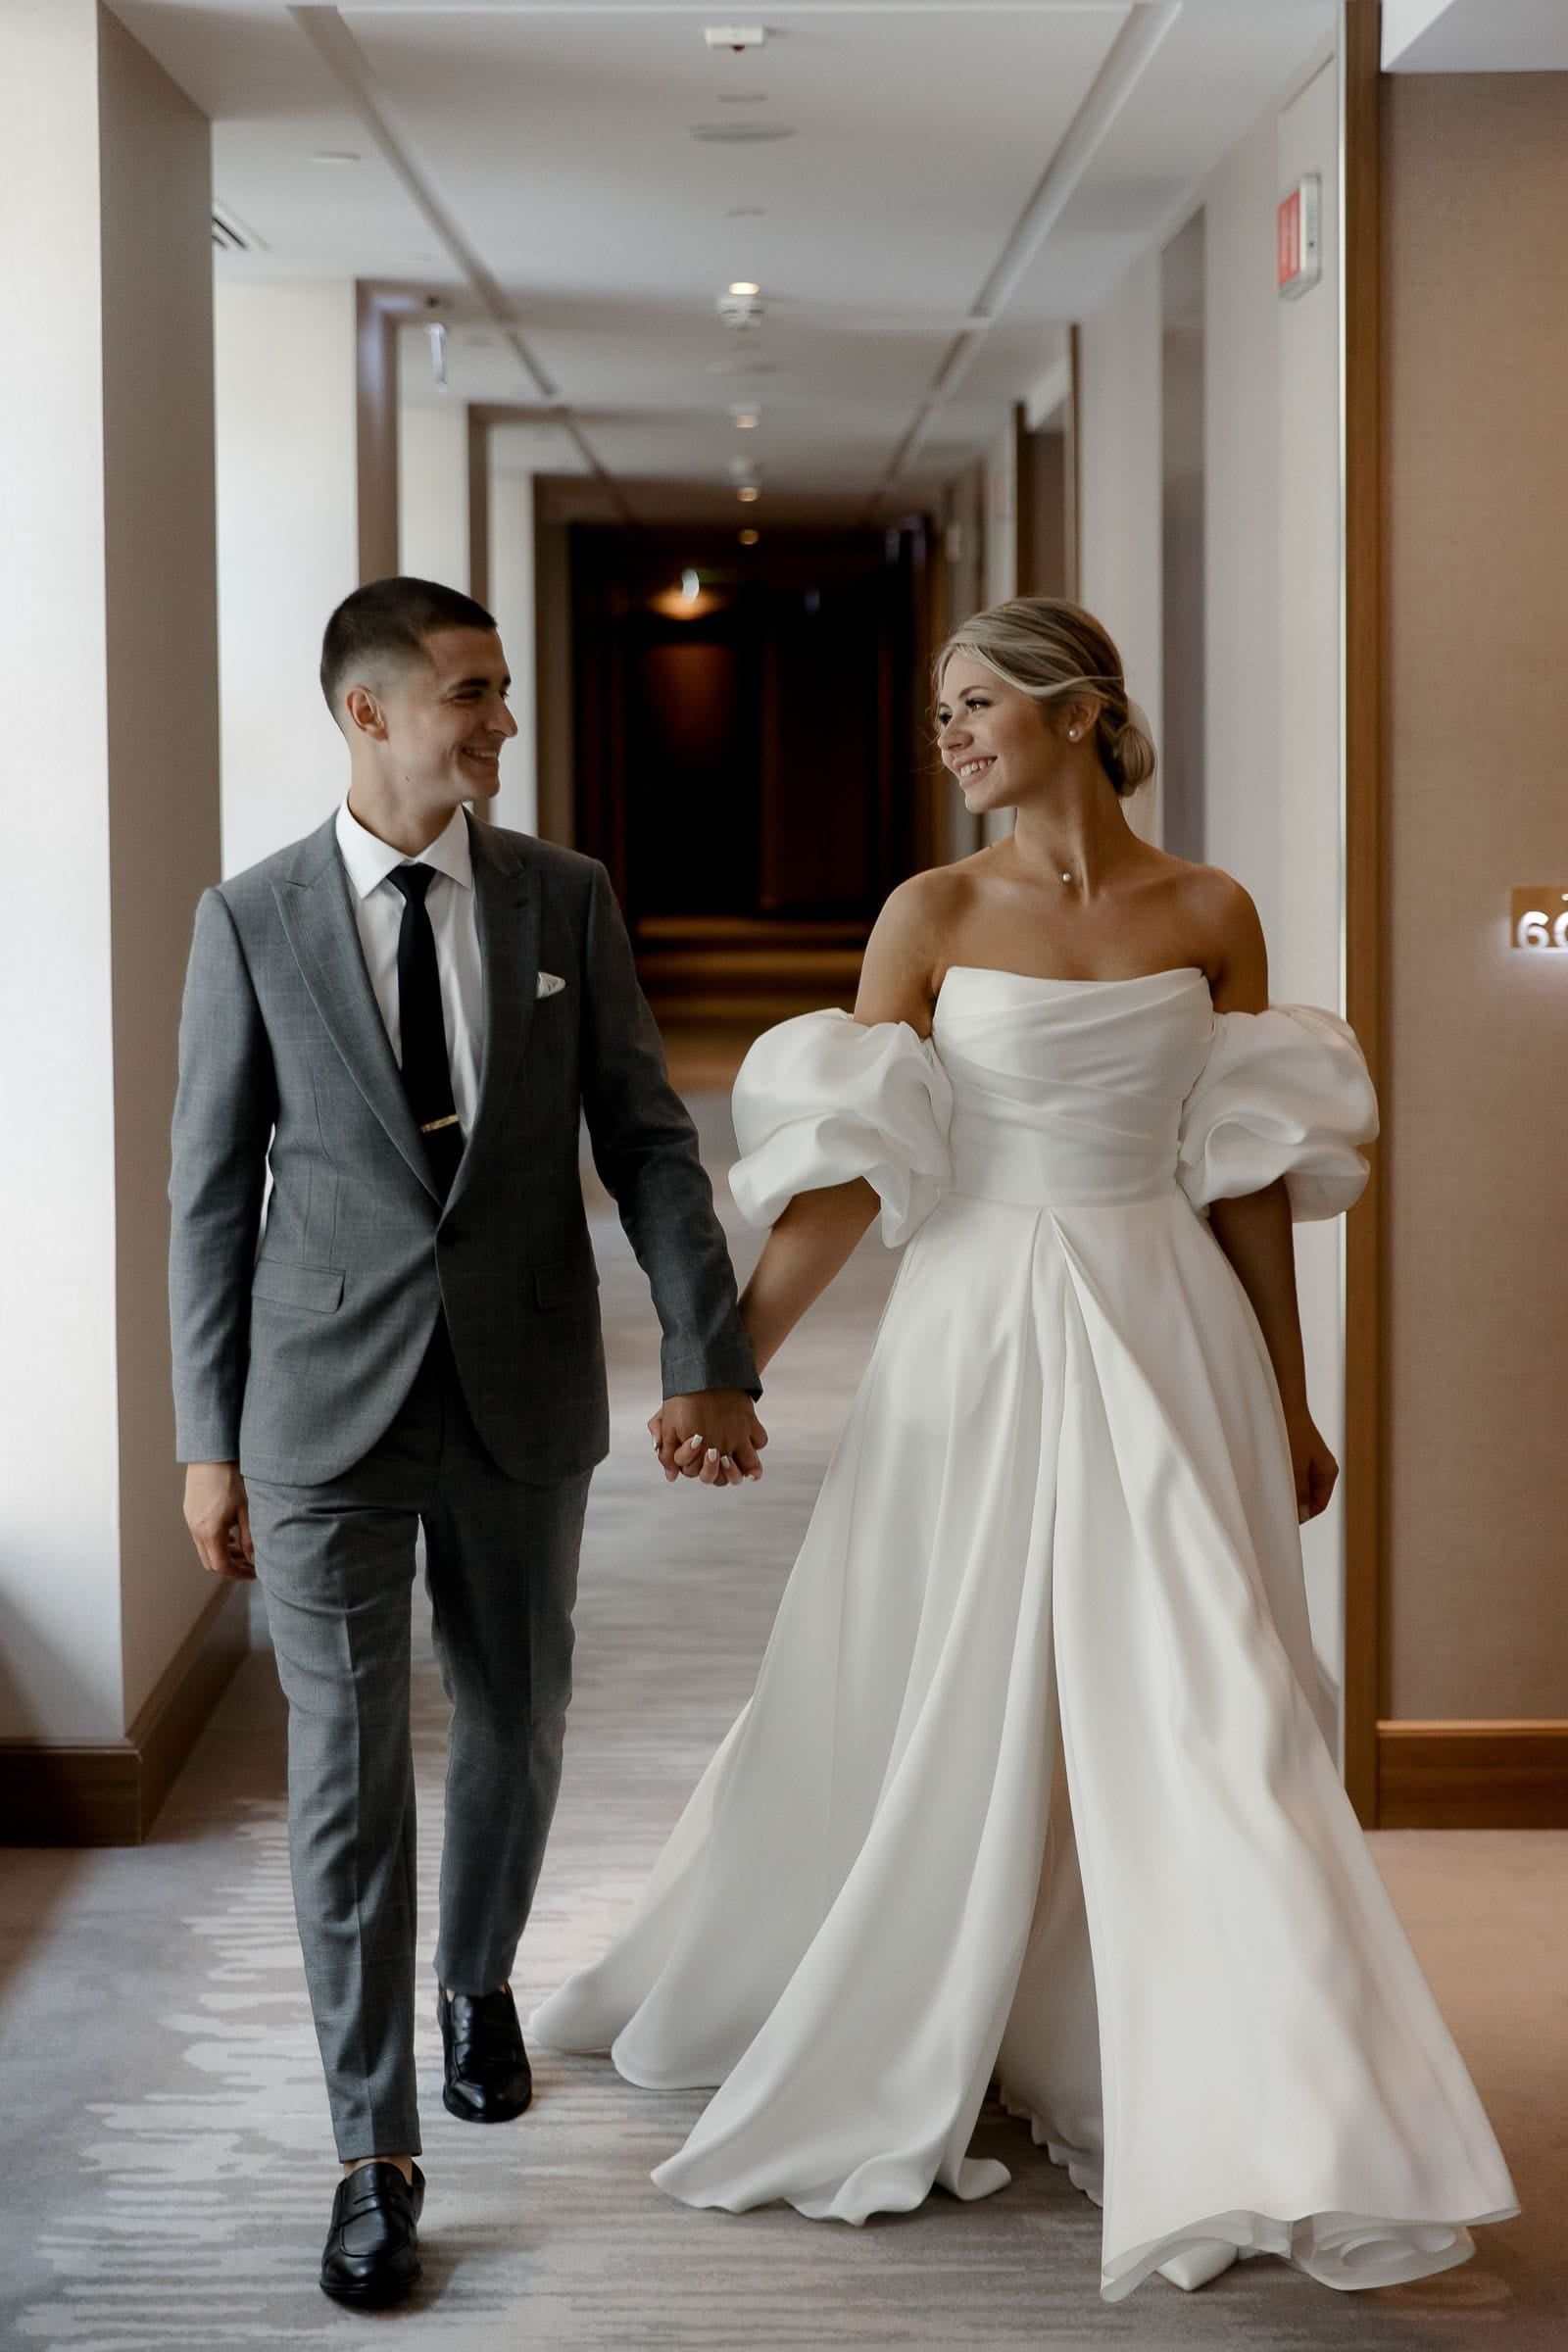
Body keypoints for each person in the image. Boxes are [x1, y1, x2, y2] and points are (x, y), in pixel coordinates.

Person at [532, 596, 1517, 2301]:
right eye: (938, 714)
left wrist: (1287, 1391)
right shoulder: (929, 912)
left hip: (1167, 1330)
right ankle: (953, 1991)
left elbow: (1250, 1180)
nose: (951, 737)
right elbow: (856, 1165)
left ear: (1075, 711)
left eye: (976, 704)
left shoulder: (1214, 913)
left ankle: (1270, 2083)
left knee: (1210, 1704)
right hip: (980, 1332)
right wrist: (729, 1364)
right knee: (956, 1678)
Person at [169, 576, 764, 2308]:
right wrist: (209, 1441)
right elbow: (211, 1202)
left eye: (498, 690)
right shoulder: (254, 919)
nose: (500, 719)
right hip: (317, 1412)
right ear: (370, 713)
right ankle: (373, 2151)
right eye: (470, 692)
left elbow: (650, 1139)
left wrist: (707, 1346)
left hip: (521, 1382)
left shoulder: (561, 898)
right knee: (345, 1774)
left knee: (517, 1708)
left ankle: (477, 1979)